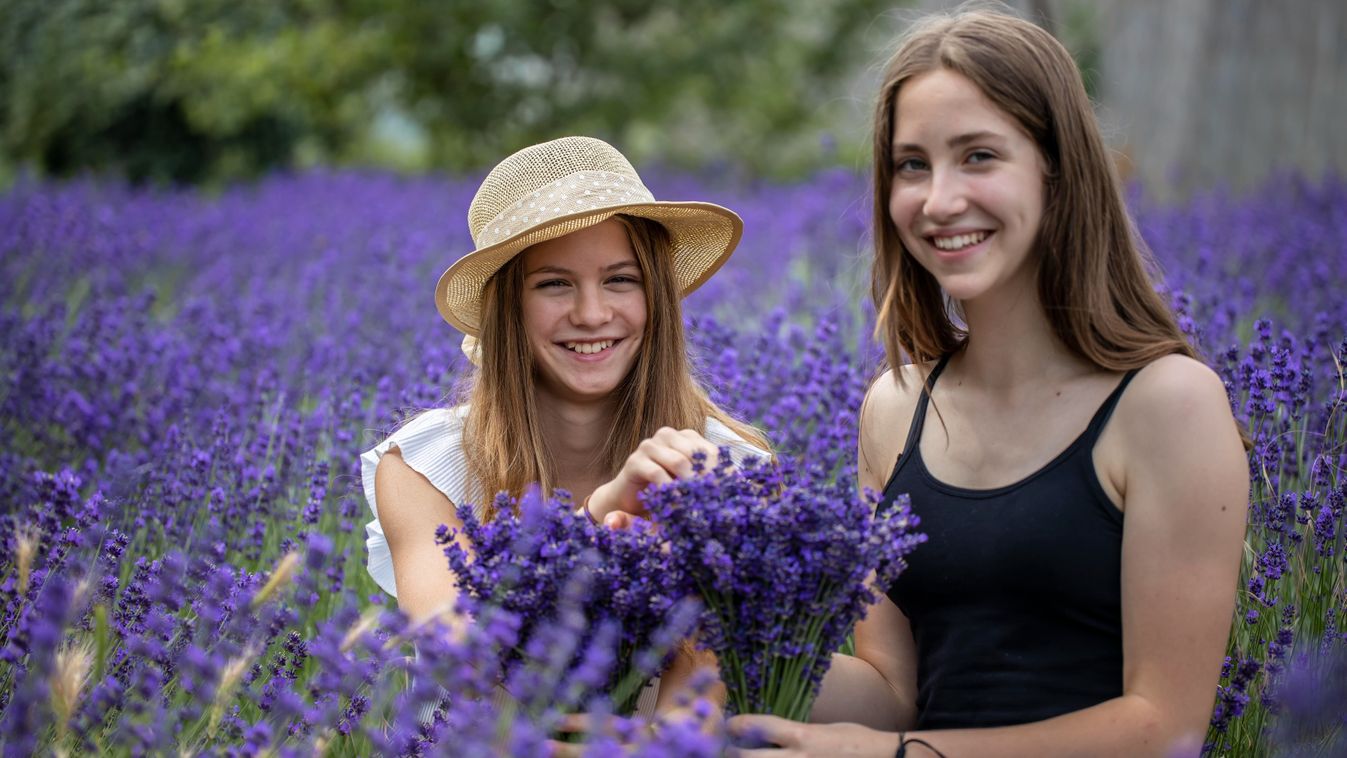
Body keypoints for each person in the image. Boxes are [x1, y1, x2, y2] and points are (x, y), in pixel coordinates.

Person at [729, 9, 1248, 756]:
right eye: (912, 164)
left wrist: (898, 757)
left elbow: (1163, 726)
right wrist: (712, 632)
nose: (938, 201)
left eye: (977, 156)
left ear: (1055, 168)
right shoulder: (895, 408)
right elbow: (893, 694)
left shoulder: (1166, 404)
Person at [361, 136, 769, 714]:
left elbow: (702, 691)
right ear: (509, 308)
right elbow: (463, 660)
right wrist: (599, 518)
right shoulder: (426, 470)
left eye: (621, 280)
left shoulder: (728, 470)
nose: (592, 313)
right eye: (554, 284)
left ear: (656, 296)